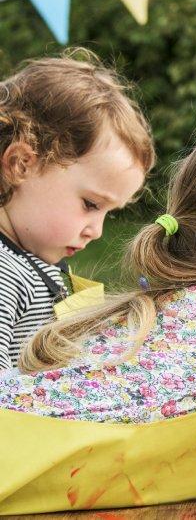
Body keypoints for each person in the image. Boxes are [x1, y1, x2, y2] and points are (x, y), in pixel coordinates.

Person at [0, 50, 154, 370]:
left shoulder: (25, 260)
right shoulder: (5, 273)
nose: (96, 231)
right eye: (91, 205)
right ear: (21, 164)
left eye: (107, 213)